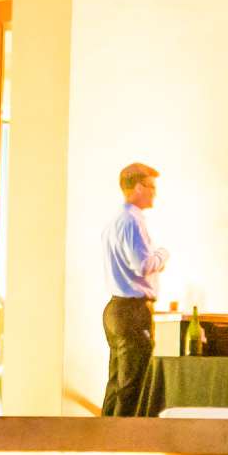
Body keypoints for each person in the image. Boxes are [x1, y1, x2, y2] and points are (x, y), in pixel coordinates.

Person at [98, 163, 172, 415]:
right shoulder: (133, 222)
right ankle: (122, 445)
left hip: (115, 309)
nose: (155, 194)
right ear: (138, 187)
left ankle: (103, 440)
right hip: (133, 311)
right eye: (152, 187)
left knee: (116, 383)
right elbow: (142, 264)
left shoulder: (114, 222)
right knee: (132, 387)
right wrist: (163, 254)